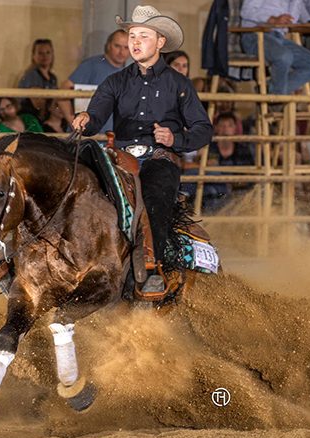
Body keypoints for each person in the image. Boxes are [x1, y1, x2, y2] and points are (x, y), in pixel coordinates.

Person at [72, 5, 213, 293]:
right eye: (132, 35)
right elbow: (96, 114)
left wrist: (175, 140)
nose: (135, 42)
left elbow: (203, 129)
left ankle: (153, 266)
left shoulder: (179, 85)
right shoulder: (115, 82)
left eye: (143, 36)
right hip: (120, 158)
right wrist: (86, 120)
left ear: (160, 42)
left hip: (159, 159)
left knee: (154, 197)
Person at [240, 0, 310, 95]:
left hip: (278, 37)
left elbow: (290, 20)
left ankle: (270, 91)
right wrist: (272, 19)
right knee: (284, 56)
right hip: (255, 35)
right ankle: (276, 98)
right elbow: (246, 11)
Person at [57, 30, 129, 132]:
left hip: (113, 138)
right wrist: (73, 121)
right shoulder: (91, 65)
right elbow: (63, 90)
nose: (121, 52)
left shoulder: (130, 71)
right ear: (108, 45)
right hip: (86, 137)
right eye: (117, 46)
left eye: (126, 47)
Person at [18, 39, 57, 118]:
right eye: (40, 53)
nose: (45, 56)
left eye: (48, 52)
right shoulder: (31, 76)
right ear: (33, 55)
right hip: (31, 118)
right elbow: (38, 105)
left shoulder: (53, 78)